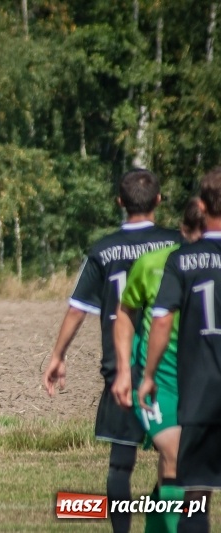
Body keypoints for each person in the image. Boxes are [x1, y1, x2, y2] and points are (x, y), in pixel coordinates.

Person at [43, 169, 181, 533]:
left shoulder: (103, 249)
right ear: (158, 200)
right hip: (169, 366)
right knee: (174, 458)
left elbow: (77, 309)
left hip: (121, 368)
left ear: (120, 202)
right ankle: (161, 521)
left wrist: (58, 355)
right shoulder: (176, 244)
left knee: (121, 463)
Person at [112, 198, 203, 533]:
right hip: (159, 384)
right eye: (197, 235)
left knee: (186, 473)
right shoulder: (152, 264)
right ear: (183, 231)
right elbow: (125, 312)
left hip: (203, 383)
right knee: (177, 456)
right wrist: (125, 371)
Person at [140, 167, 221, 533]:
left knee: (196, 496)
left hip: (202, 391)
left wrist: (148, 375)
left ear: (201, 206)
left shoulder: (183, 259)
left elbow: (161, 320)